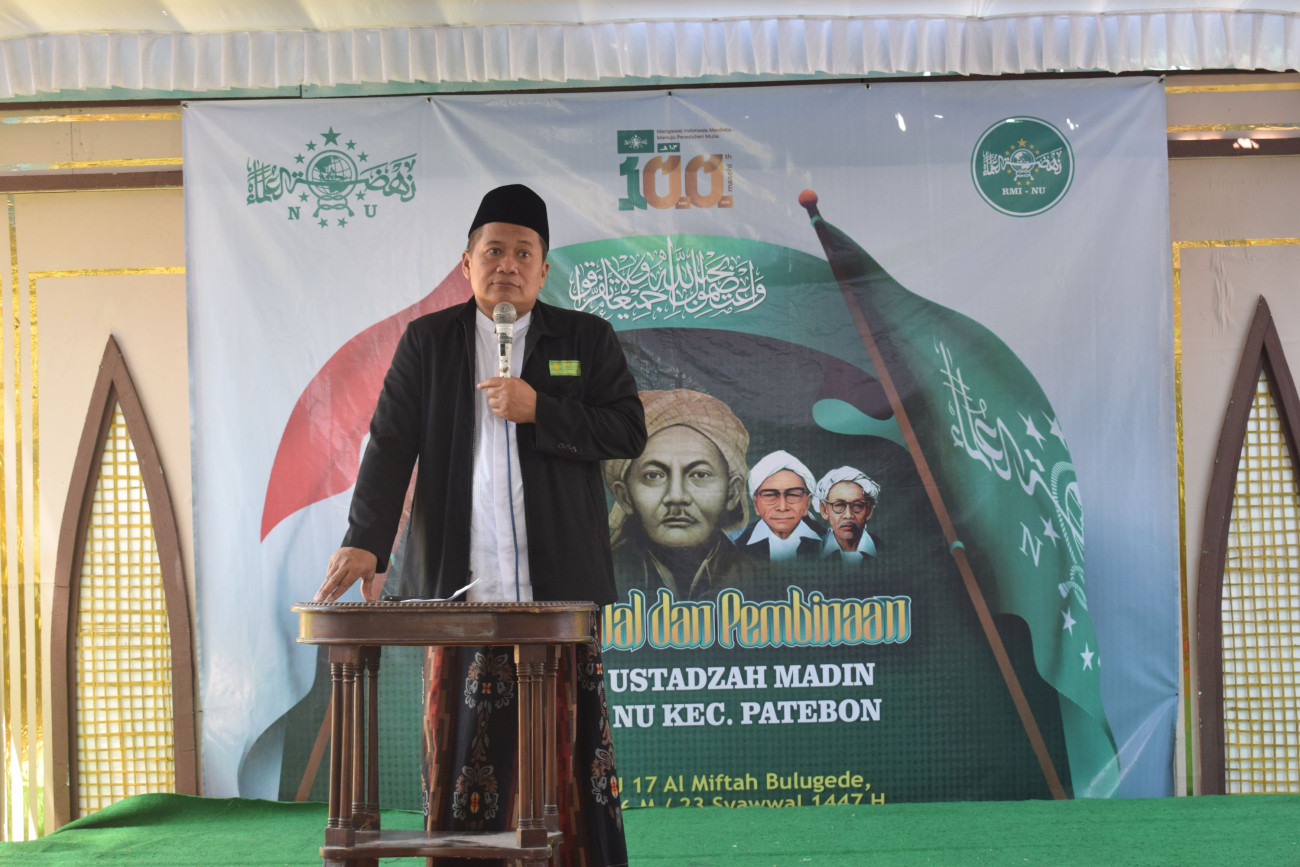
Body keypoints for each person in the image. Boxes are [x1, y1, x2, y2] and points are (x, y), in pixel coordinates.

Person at [314, 183, 646, 867]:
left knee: (568, 746)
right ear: (466, 263)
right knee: (464, 742)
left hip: (558, 589)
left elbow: (627, 430)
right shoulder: (430, 343)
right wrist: (366, 540)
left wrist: (540, 408)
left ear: (544, 269)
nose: (508, 265)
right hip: (460, 585)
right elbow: (390, 442)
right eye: (493, 251)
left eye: (524, 253)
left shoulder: (584, 339)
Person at [603, 389, 749, 600]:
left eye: (699, 474)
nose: (677, 497)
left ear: (732, 492)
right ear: (624, 496)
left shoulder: (764, 579)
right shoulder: (598, 577)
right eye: (654, 475)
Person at [732, 450, 823, 562]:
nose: (782, 507)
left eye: (793, 495)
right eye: (769, 495)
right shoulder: (734, 544)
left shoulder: (829, 542)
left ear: (807, 503)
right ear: (756, 504)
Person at [814, 465, 881, 564]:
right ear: (824, 510)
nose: (848, 515)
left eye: (857, 505)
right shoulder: (808, 552)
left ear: (869, 511)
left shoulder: (886, 551)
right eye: (839, 505)